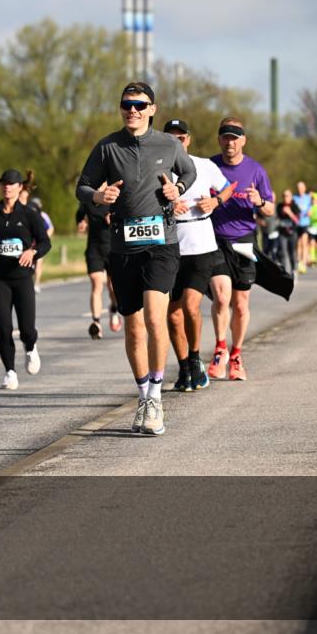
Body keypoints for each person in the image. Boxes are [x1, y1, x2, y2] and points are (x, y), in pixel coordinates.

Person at [76, 82, 196, 436]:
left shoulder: (169, 144)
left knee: (156, 320)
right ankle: (143, 394)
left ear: (152, 109)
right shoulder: (108, 146)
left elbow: (187, 172)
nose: (133, 110)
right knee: (133, 327)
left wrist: (178, 190)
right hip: (122, 247)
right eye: (127, 104)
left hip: (161, 243)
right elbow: (82, 186)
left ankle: (157, 396)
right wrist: (99, 195)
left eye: (140, 105)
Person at [161, 119, 233, 393]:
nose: (177, 143)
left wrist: (216, 201)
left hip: (201, 245)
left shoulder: (204, 165)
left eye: (181, 138)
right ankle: (183, 367)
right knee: (173, 315)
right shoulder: (157, 169)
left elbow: (228, 187)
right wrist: (167, 207)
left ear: (188, 140)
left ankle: (194, 358)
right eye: (171, 138)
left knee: (191, 307)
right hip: (170, 245)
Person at [207, 117, 275, 382]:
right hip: (215, 240)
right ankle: (220, 347)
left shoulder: (256, 170)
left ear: (243, 140)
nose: (230, 142)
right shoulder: (210, 166)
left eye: (235, 137)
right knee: (222, 298)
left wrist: (260, 202)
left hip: (245, 241)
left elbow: (270, 208)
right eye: (225, 136)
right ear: (219, 139)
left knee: (241, 303)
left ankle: (236, 355)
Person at [0, 169, 51, 390]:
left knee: (27, 329)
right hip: (0, 280)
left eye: (11, 184)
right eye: (3, 184)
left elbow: (45, 243)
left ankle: (30, 347)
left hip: (22, 280)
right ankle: (10, 371)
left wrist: (33, 253)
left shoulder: (29, 215)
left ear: (20, 187)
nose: (7, 187)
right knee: (4, 328)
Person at [18, 173, 53, 293]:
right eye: (21, 193)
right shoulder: (11, 209)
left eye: (25, 192)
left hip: (35, 243)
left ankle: (35, 283)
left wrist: (42, 238)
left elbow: (48, 228)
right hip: (22, 244)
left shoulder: (34, 210)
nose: (23, 195)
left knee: (37, 262)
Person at [276, 190, 300, 275]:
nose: (285, 197)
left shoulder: (295, 206)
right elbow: (277, 218)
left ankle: (294, 270)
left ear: (291, 197)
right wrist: (282, 212)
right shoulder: (279, 206)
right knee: (283, 252)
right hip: (282, 233)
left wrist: (289, 213)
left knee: (292, 252)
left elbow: (297, 221)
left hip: (292, 233)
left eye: (287, 196)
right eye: (284, 196)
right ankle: (285, 272)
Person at [293, 181, 313, 274]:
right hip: (297, 224)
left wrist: (310, 212)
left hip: (305, 223)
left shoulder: (308, 198)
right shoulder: (294, 198)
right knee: (298, 243)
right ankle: (299, 261)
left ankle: (303, 263)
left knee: (304, 242)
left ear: (304, 189)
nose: (300, 190)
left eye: (301, 188)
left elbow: (311, 208)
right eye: (298, 188)